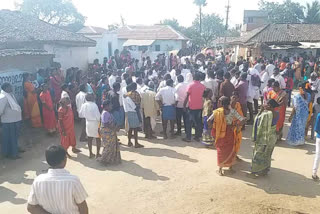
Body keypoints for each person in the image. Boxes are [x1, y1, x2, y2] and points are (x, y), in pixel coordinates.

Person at [27, 145, 88, 214]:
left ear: (47, 161)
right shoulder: (73, 181)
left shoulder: (38, 181)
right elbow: (83, 208)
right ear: (65, 160)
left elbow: (31, 207)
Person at [208, 96, 245, 176]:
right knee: (230, 149)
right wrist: (236, 126)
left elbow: (209, 121)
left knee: (221, 150)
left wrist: (214, 127)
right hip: (230, 132)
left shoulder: (217, 112)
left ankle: (220, 169)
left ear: (221, 103)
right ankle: (230, 167)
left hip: (220, 133)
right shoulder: (233, 111)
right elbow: (242, 120)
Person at [251, 99, 280, 177]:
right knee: (268, 154)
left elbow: (259, 124)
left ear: (269, 106)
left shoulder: (266, 114)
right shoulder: (277, 113)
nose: (264, 105)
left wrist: (261, 111)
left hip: (264, 137)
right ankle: (265, 170)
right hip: (272, 137)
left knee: (258, 153)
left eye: (265, 104)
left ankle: (254, 172)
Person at [0, 83, 22, 159]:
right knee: (10, 138)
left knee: (14, 137)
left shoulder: (9, 95)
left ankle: (13, 151)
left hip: (14, 120)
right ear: (6, 88)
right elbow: (0, 110)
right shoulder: (3, 97)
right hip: (8, 121)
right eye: (10, 87)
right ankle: (13, 154)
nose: (11, 88)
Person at [184, 72, 206, 142]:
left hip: (191, 107)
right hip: (200, 107)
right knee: (198, 122)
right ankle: (197, 136)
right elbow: (204, 97)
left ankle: (188, 137)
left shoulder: (190, 85)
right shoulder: (203, 86)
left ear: (193, 77)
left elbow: (187, 96)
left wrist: (184, 105)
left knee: (189, 122)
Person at [98, 100, 121, 165]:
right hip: (107, 132)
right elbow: (106, 124)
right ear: (106, 106)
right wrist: (114, 128)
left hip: (110, 131)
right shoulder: (105, 113)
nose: (111, 106)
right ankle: (104, 160)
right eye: (110, 105)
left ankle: (109, 159)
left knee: (111, 145)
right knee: (109, 146)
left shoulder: (107, 112)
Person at [79, 93, 101, 159]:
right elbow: (98, 116)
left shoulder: (83, 105)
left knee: (89, 138)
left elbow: (80, 115)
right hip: (95, 123)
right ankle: (97, 153)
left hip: (88, 122)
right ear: (91, 98)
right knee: (98, 138)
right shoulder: (94, 105)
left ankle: (90, 153)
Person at [230, 92, 244, 159]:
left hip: (237, 126)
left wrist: (240, 123)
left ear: (238, 99)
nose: (234, 99)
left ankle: (235, 154)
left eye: (236, 98)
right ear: (231, 97)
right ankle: (230, 156)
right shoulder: (227, 106)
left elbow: (241, 115)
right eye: (233, 97)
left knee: (237, 141)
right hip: (230, 127)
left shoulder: (238, 104)